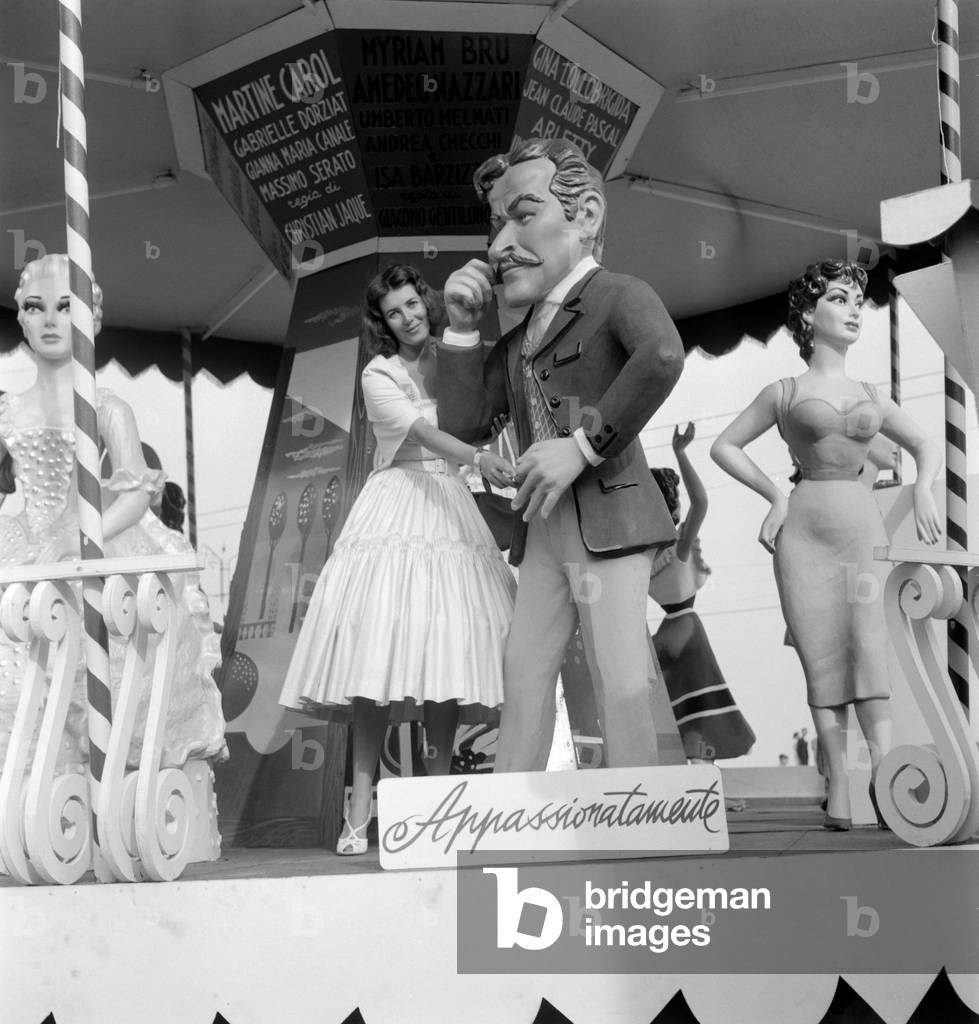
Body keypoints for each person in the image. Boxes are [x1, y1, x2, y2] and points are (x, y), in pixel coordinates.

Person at [437, 137, 685, 772]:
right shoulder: (519, 338)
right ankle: (512, 803)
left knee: (621, 675)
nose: (498, 247)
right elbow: (464, 423)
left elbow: (660, 356)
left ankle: (639, 808)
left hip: (608, 517)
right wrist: (463, 328)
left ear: (588, 217)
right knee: (522, 672)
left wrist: (581, 446)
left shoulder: (618, 295)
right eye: (497, 226)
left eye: (523, 215)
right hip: (545, 529)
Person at [279, 264, 517, 855]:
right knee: (375, 660)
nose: (408, 317)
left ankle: (437, 803)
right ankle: (358, 811)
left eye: (413, 304)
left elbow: (487, 412)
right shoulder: (377, 373)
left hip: (451, 508)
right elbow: (429, 436)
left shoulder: (457, 353)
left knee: (444, 657)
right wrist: (480, 459)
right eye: (394, 312)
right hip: (397, 505)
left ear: (426, 303)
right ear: (382, 322)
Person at [711, 259, 942, 830]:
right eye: (839, 298)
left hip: (863, 529)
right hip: (805, 533)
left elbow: (923, 443)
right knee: (822, 656)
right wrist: (774, 495)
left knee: (870, 646)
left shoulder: (869, 392)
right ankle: (839, 780)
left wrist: (925, 491)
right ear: (809, 315)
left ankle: (886, 775)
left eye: (857, 299)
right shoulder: (784, 391)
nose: (854, 307)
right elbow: (725, 446)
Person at [0, 254, 226, 774]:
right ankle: (41, 779)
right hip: (28, 542)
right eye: (37, 308)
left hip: (90, 543)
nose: (51, 319)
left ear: (90, 319)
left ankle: (102, 781)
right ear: (22, 319)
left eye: (65, 307)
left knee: (109, 661)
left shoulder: (107, 407)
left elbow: (136, 492)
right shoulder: (10, 410)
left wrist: (84, 537)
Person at [648, 423, 755, 762]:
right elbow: (698, 502)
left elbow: (700, 502)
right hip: (678, 633)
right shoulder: (649, 552)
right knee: (679, 711)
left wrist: (680, 454)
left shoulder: (668, 549)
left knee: (688, 710)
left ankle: (700, 781)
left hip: (677, 632)